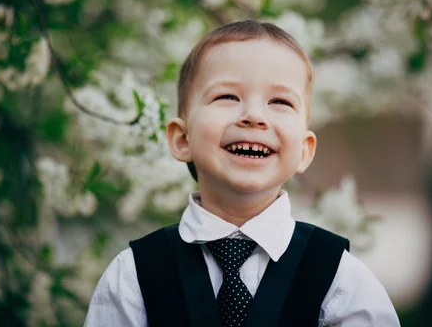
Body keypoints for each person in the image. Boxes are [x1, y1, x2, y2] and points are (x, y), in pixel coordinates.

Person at [84, 20, 400, 327]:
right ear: (183, 140)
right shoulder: (134, 276)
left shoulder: (339, 279)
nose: (253, 116)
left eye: (280, 101)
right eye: (227, 97)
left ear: (304, 151)